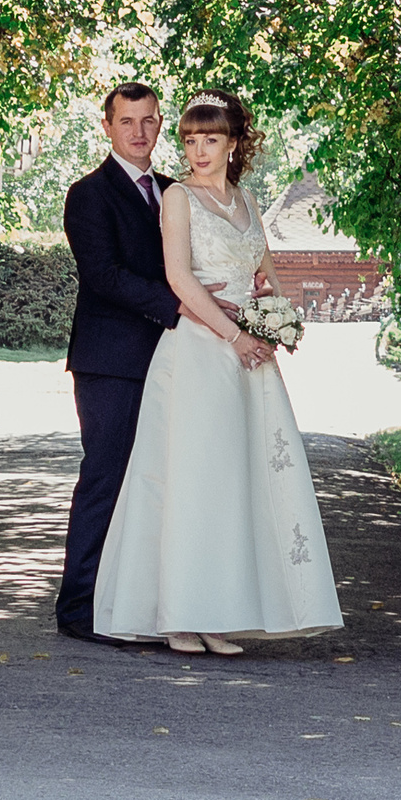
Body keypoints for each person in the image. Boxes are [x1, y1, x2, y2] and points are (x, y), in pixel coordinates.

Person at [91, 89, 343, 652]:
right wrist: (235, 336)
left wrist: (274, 316)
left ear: (234, 143)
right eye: (188, 139)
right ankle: (179, 616)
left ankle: (217, 615)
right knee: (193, 481)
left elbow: (267, 275)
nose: (198, 150)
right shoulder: (178, 197)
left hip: (252, 357)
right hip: (201, 352)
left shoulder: (249, 200)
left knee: (236, 485)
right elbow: (179, 280)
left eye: (210, 139)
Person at [55, 81, 209, 644]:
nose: (139, 132)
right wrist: (183, 307)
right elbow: (105, 276)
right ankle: (79, 609)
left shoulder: (176, 193)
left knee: (161, 485)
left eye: (149, 121)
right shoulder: (88, 195)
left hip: (176, 361)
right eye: (127, 122)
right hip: (112, 362)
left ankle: (142, 605)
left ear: (161, 124)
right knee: (107, 478)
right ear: (107, 127)